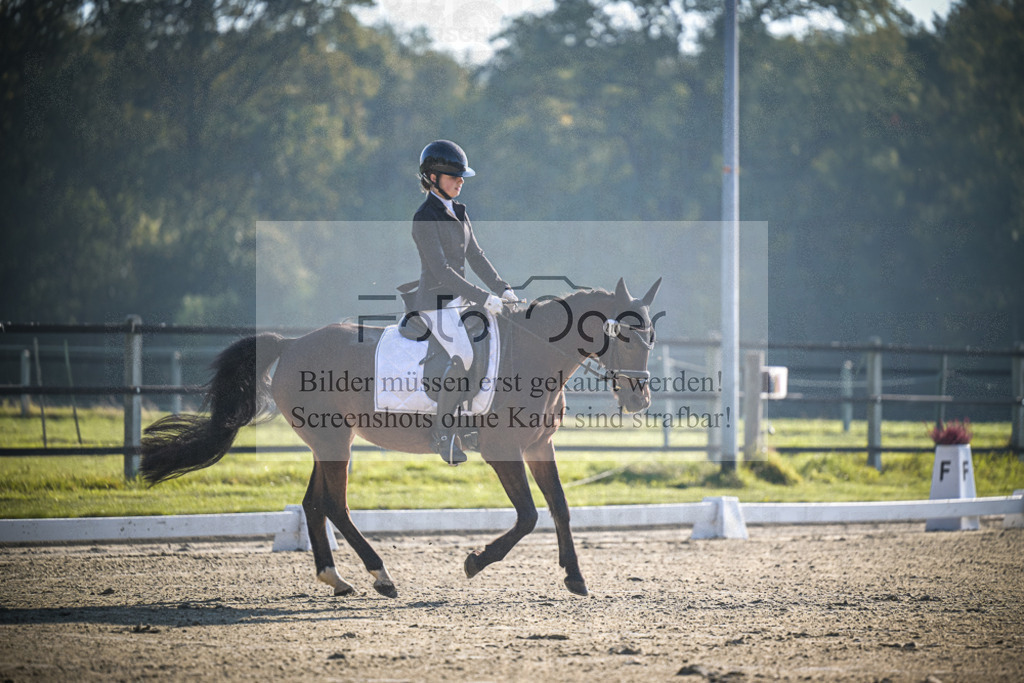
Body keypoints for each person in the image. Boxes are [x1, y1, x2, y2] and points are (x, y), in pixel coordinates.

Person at [409, 140, 517, 464]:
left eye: (461, 177)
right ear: (432, 177)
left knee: (489, 346)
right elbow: (441, 271)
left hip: (459, 300)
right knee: (464, 354)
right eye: (453, 176)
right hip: (435, 303)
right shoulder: (424, 217)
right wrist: (484, 297)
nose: (460, 182)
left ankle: (468, 422)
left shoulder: (459, 211)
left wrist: (503, 288)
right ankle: (442, 434)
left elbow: (476, 256)